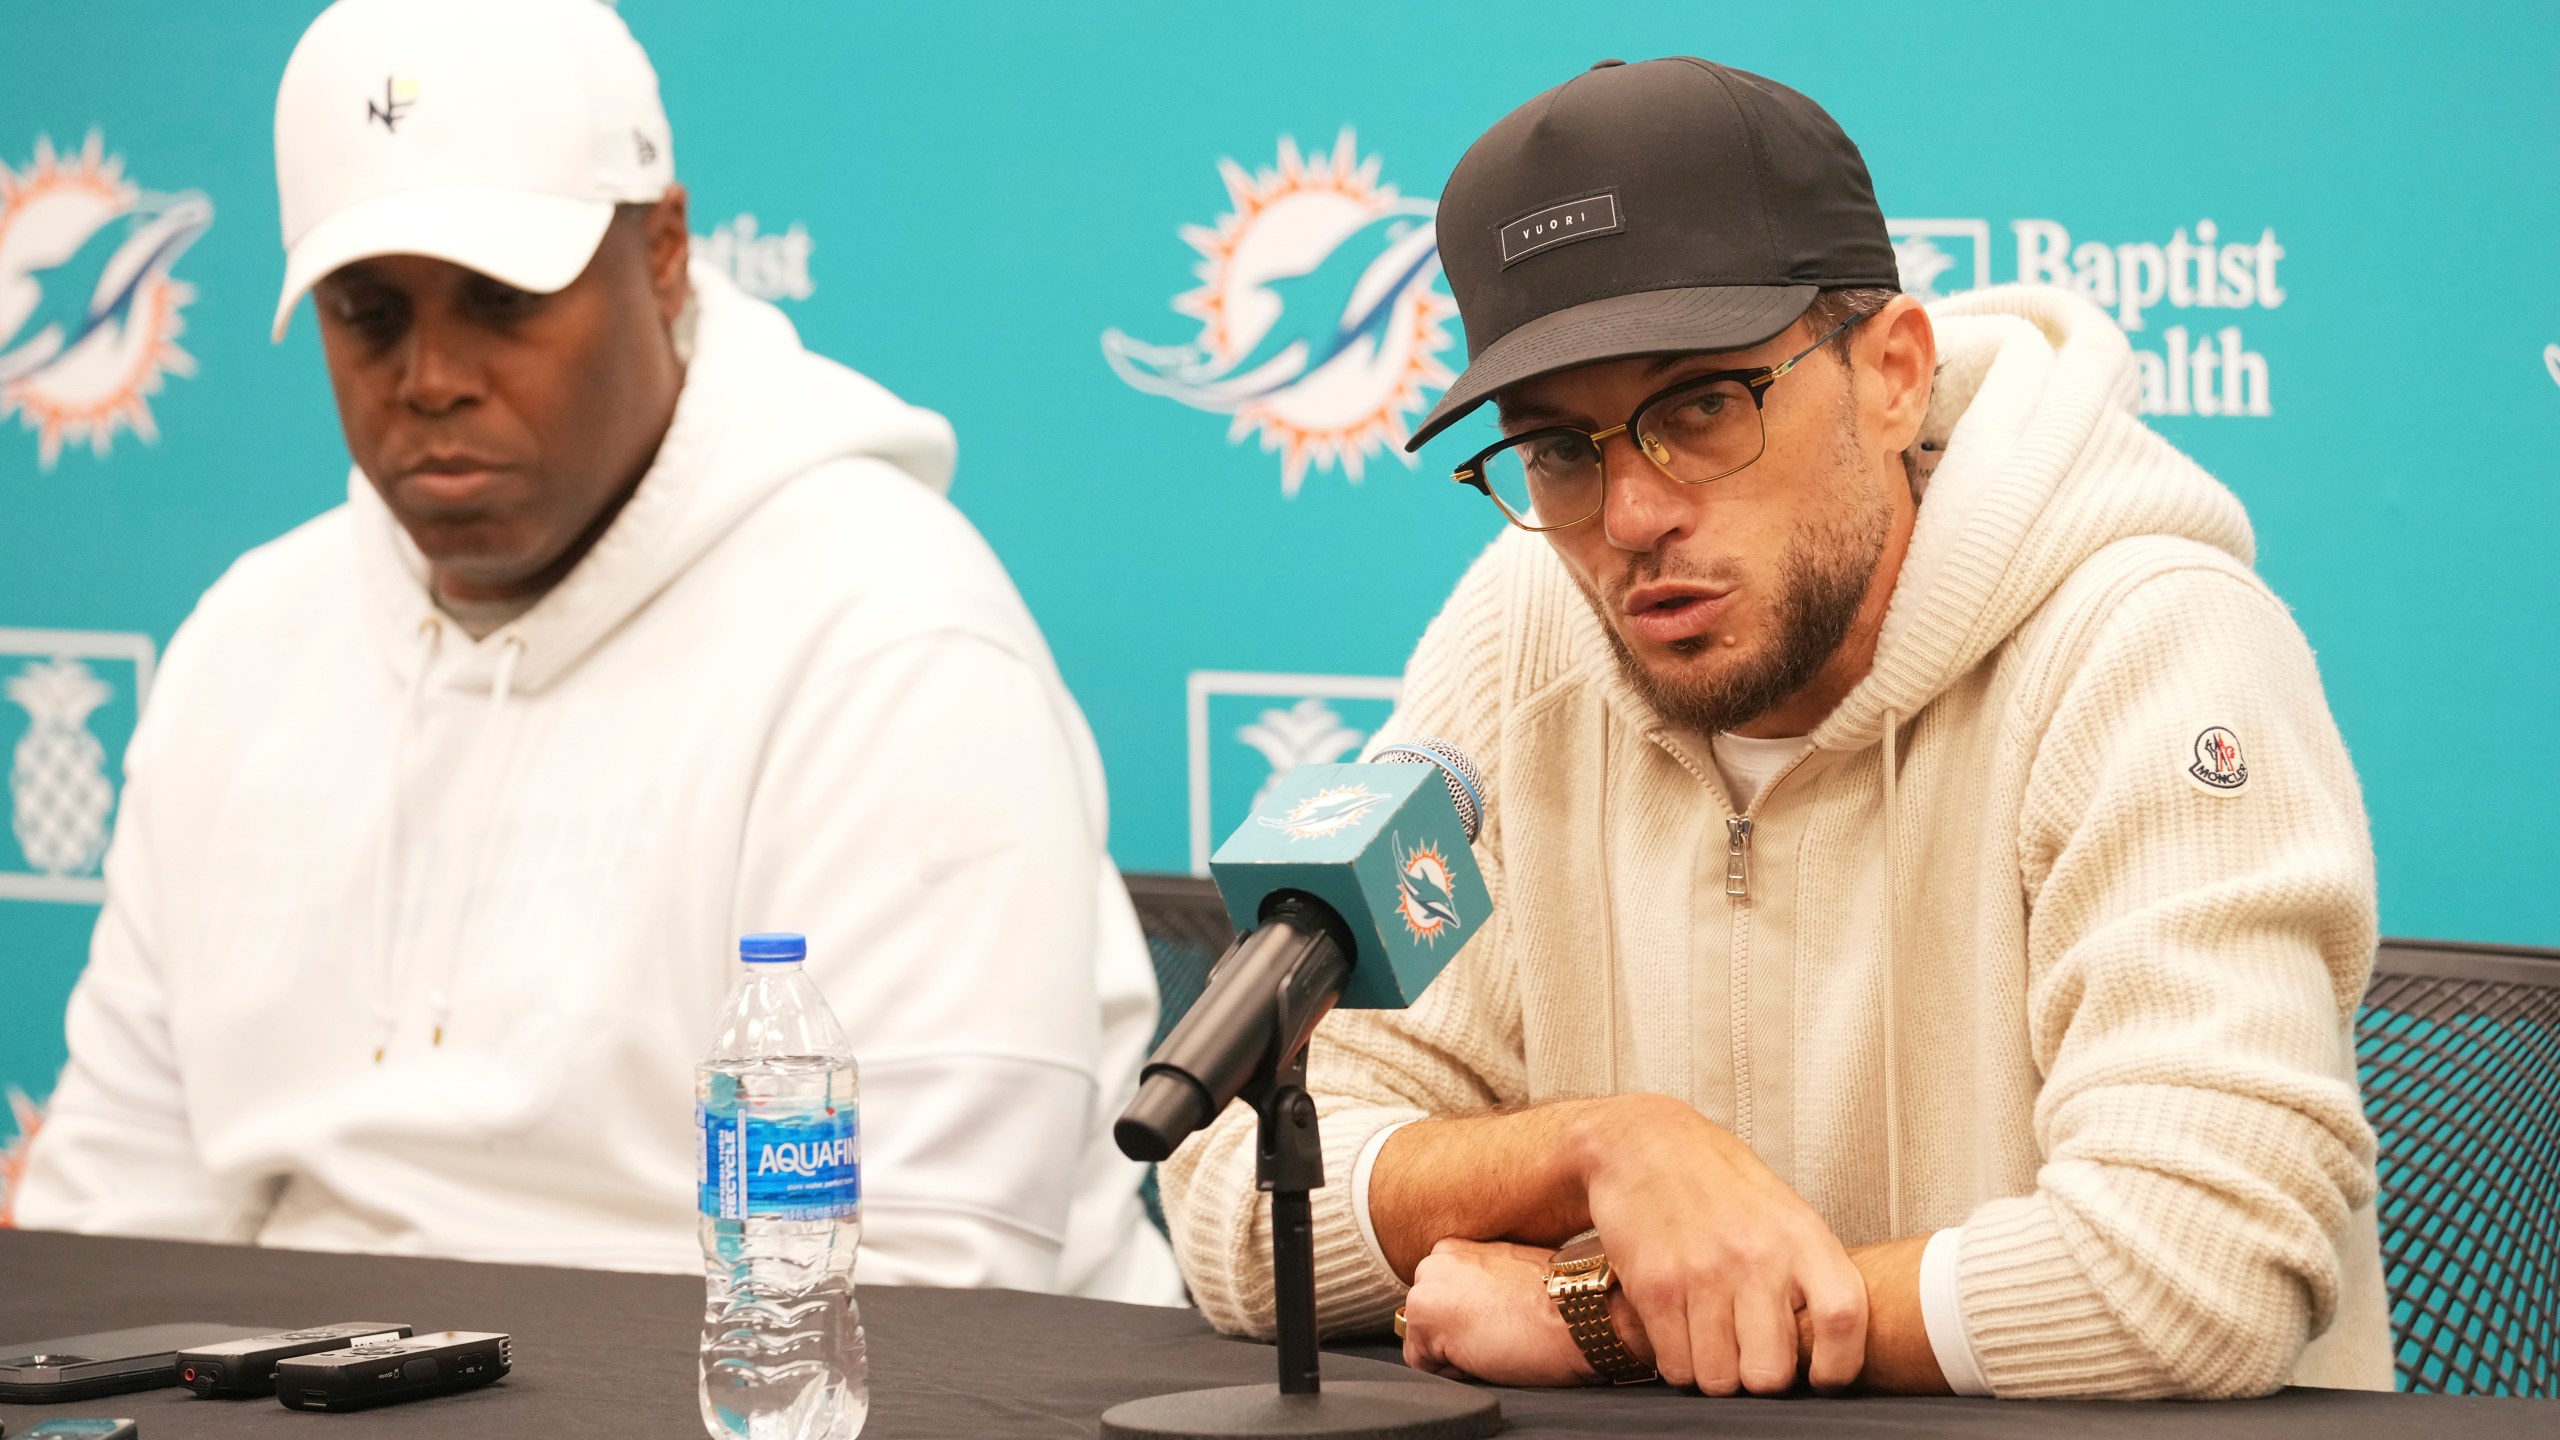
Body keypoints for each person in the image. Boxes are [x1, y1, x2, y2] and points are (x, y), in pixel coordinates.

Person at [1161, 57, 2389, 1396]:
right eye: (1563, 450)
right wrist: (1593, 1150)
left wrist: (1604, 1312)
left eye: (1700, 408)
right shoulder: (1528, 622)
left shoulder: (2151, 639)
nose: (1632, 518)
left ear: (1895, 375)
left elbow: (2201, 1271)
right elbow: (1239, 1205)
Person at [14, 0, 1184, 1306]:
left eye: (503, 299)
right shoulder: (245, 642)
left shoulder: (894, 636)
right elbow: (108, 1241)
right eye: (369, 312)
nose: (433, 376)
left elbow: (920, 1294)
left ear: (667, 252)